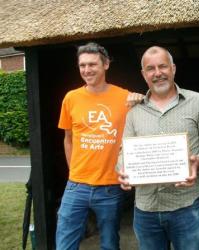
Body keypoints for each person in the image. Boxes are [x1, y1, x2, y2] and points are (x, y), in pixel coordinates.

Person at [117, 46, 199, 250]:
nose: (158, 73)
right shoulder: (134, 112)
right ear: (143, 74)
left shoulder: (197, 101)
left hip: (186, 207)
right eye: (151, 68)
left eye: (163, 66)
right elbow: (124, 152)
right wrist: (123, 169)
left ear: (173, 68)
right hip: (146, 210)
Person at [56, 42, 143, 250]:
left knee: (109, 243)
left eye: (92, 64)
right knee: (64, 244)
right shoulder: (71, 98)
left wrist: (139, 103)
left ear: (105, 65)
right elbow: (68, 138)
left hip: (110, 187)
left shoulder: (125, 98)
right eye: (82, 65)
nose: (87, 70)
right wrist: (73, 171)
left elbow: (138, 135)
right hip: (76, 185)